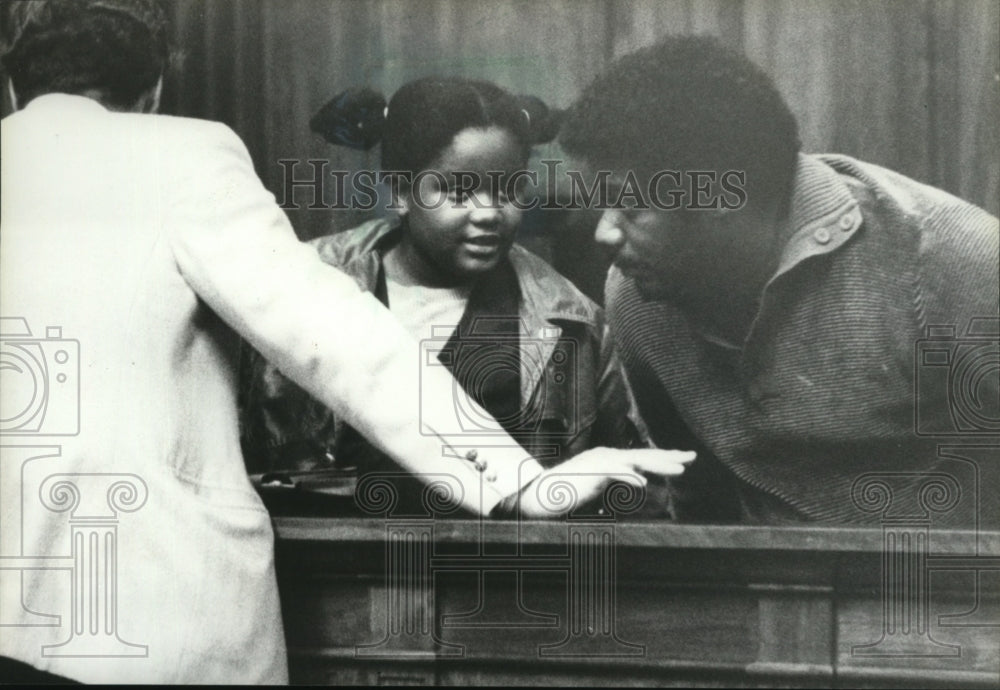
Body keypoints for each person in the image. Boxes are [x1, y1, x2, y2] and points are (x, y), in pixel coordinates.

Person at [0, 2, 692, 683]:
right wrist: (522, 485)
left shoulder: (570, 315)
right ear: (152, 92)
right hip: (150, 618)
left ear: (11, 86)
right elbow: (338, 339)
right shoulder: (185, 155)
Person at [558, 35, 999, 526]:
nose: (604, 233)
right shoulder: (637, 294)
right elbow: (697, 501)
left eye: (631, 206)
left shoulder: (948, 256)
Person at [242, 78, 643, 512]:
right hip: (323, 569)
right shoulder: (298, 285)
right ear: (399, 191)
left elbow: (625, 492)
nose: (489, 213)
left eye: (508, 190)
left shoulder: (576, 323)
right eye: (457, 190)